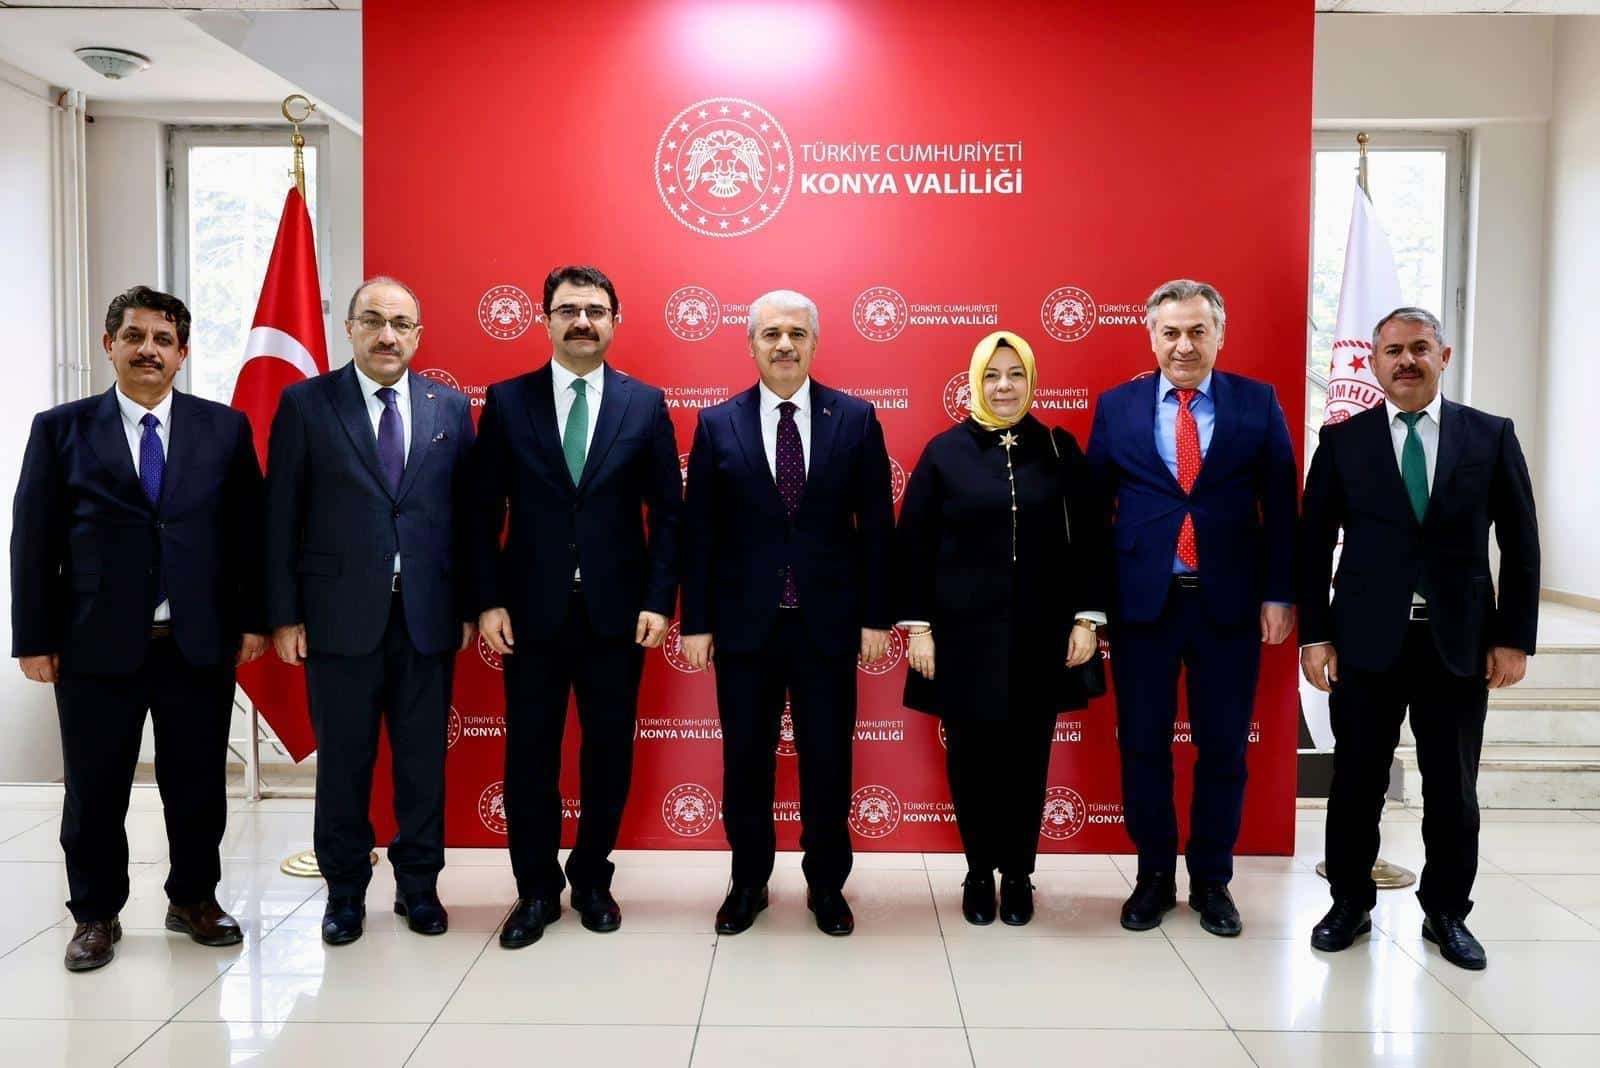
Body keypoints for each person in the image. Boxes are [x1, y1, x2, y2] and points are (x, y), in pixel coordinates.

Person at [10, 286, 266, 971]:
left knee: (197, 786)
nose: (148, 349)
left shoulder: (224, 429)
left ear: (182, 353)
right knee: (94, 791)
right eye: (134, 336)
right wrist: (32, 638)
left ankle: (194, 899)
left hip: (197, 642)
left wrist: (253, 621)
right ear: (110, 345)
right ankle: (95, 914)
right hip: (92, 644)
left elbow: (249, 535)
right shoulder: (60, 429)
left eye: (162, 339)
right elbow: (32, 540)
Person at [1301, 307, 1539, 971]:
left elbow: (1521, 541)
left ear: (1443, 356)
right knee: (1356, 783)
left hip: (1458, 643)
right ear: (1374, 362)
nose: (1406, 361)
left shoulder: (1490, 435)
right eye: (1393, 351)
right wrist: (1315, 635)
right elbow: (1312, 544)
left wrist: (1514, 637)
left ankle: (1447, 912)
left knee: (1453, 790)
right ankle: (1349, 902)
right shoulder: (1342, 441)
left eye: (1419, 348)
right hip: (1365, 644)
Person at [264, 277, 477, 946]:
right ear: (351, 328)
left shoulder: (450, 407)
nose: (388, 335)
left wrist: (469, 606)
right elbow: (280, 517)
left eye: (401, 324)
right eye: (375, 321)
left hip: (427, 616)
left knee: (422, 763)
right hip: (336, 618)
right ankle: (346, 892)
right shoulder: (306, 404)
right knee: (344, 764)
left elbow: (468, 520)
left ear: (418, 335)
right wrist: (284, 614)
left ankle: (419, 886)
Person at [474, 265, 680, 949]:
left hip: (616, 616)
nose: (582, 321)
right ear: (546, 320)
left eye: (595, 310)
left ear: (615, 320)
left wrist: (658, 600)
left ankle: (592, 877)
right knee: (530, 756)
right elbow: (482, 513)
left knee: (608, 754)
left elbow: (668, 515)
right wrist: (488, 601)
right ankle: (536, 889)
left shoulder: (644, 404)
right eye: (568, 310)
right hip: (529, 615)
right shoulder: (507, 401)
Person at [679, 289, 895, 937]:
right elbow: (699, 533)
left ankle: (826, 885)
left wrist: (876, 616)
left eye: (797, 334)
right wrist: (696, 621)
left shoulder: (855, 418)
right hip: (745, 626)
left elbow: (876, 528)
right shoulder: (717, 424)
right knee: (746, 760)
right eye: (771, 333)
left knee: (828, 761)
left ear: (814, 343)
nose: (784, 345)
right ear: (750, 344)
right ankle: (749, 883)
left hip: (827, 624)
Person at [1086, 279, 1298, 937]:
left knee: (1224, 749)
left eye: (1197, 331)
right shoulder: (1117, 406)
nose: (1184, 345)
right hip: (1141, 607)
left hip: (1228, 605)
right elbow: (1092, 515)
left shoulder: (1258, 402)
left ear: (1219, 336)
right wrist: (1092, 609)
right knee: (1143, 747)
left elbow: (1282, 507)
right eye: (1171, 332)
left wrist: (1279, 593)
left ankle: (1212, 880)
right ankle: (1153, 876)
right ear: (1151, 336)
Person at [896, 331, 1108, 926]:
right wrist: (919, 628)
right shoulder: (944, 452)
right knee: (971, 761)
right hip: (962, 638)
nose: (1004, 386)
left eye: (1015, 374)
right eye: (992, 375)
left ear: (1031, 380)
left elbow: (1091, 540)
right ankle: (977, 870)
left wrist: (1087, 618)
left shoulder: (1059, 449)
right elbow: (913, 545)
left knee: (1027, 759)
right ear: (975, 381)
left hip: (1041, 636)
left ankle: (1018, 873)